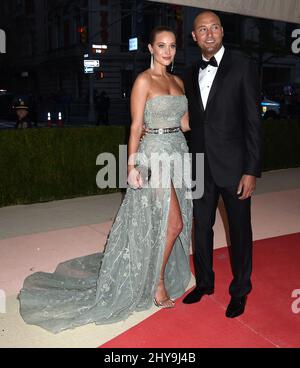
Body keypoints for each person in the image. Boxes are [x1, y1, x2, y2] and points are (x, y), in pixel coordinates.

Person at [18, 26, 193, 334]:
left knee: (165, 221)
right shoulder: (143, 81)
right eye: (162, 45)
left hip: (178, 151)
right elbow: (136, 125)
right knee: (174, 224)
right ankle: (158, 281)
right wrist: (130, 165)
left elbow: (186, 124)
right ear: (151, 48)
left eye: (173, 46)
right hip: (154, 154)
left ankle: (155, 273)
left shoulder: (178, 82)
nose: (168, 51)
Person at [182, 11, 262, 319]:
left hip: (235, 166)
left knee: (239, 231)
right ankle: (204, 283)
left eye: (214, 27)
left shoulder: (242, 67)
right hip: (200, 165)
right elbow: (189, 120)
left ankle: (240, 291)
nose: (209, 33)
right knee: (201, 229)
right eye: (202, 29)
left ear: (222, 31)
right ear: (195, 37)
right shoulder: (189, 73)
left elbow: (253, 122)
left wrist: (252, 170)